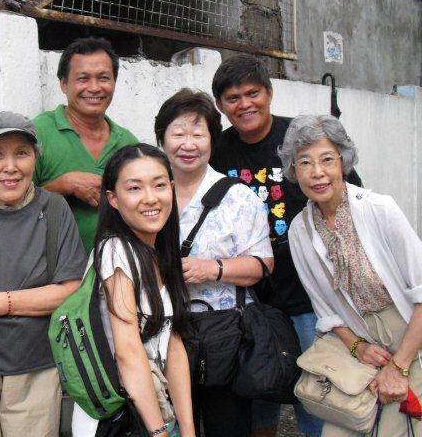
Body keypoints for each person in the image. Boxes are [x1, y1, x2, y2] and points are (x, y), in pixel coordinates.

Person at [210, 55, 361, 437]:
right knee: (259, 389)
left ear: (269, 93)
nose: (244, 104)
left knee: (316, 391)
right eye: (232, 98)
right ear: (220, 105)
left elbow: (349, 194)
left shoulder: (299, 139)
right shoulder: (217, 151)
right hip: (250, 298)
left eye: (252, 93)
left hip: (308, 293)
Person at [0, 111, 88, 437]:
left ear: (35, 158)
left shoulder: (54, 208)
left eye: (21, 153)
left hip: (37, 370)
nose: (10, 167)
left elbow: (70, 289)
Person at [279, 114, 422, 437]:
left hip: (410, 336)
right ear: (293, 171)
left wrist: (399, 366)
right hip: (357, 342)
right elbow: (325, 309)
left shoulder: (379, 209)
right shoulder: (300, 230)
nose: (317, 172)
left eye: (327, 159)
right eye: (305, 163)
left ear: (343, 162)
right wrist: (357, 346)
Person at [155, 88, 274, 436]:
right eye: (178, 134)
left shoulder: (238, 197)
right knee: (170, 424)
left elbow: (263, 264)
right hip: (162, 332)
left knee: (227, 425)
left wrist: (213, 268)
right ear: (162, 138)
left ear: (212, 139)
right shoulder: (149, 191)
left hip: (222, 335)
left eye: (198, 134)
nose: (188, 144)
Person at [71, 144, 195, 437]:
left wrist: (188, 429)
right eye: (134, 188)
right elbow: (128, 352)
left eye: (159, 185)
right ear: (113, 199)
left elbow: (173, 343)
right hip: (119, 420)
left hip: (154, 412)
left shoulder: (159, 251)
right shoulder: (115, 251)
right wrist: (158, 432)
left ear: (172, 188)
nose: (150, 198)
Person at [33, 37, 138, 254]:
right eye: (83, 78)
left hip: (117, 267)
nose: (94, 87)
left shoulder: (128, 143)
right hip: (52, 271)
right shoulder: (38, 132)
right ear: (63, 84)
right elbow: (11, 205)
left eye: (104, 78)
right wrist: (63, 185)